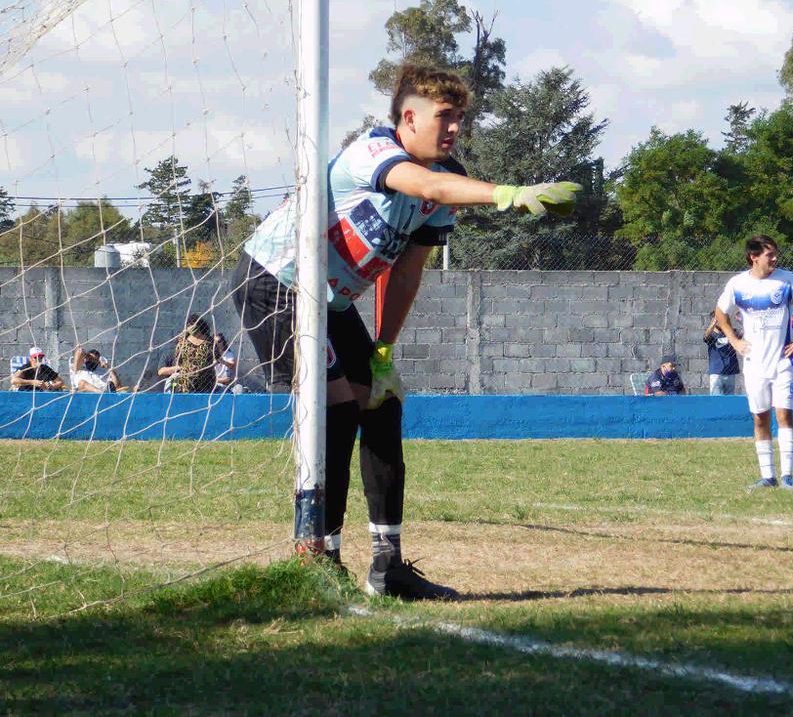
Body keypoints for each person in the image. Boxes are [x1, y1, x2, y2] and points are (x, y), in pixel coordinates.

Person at [232, 63, 580, 600]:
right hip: (276, 285)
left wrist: (382, 352)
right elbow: (429, 184)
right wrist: (506, 192)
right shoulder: (372, 152)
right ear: (408, 117)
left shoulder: (445, 180)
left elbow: (408, 270)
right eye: (445, 116)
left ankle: (387, 567)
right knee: (339, 408)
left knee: (381, 403)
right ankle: (316, 557)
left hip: (331, 301)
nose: (455, 128)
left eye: (461, 118)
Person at [715, 235, 793, 492]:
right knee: (760, 418)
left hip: (783, 361)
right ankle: (767, 477)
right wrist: (735, 341)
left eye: (775, 254)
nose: (775, 259)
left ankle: (788, 477)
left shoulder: (786, 280)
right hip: (754, 364)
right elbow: (720, 313)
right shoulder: (738, 284)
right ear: (754, 256)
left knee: (784, 414)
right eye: (769, 254)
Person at [171, 314, 218, 393]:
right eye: (188, 325)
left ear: (199, 326)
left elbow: (217, 358)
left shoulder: (210, 342)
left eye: (192, 324)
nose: (190, 327)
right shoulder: (183, 342)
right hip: (186, 382)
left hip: (206, 381)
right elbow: (179, 361)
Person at [703, 315, 739, 394]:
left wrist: (741, 320)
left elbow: (744, 334)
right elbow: (706, 337)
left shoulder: (732, 334)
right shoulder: (712, 335)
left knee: (729, 401)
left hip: (730, 372)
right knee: (716, 400)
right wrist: (712, 324)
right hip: (717, 373)